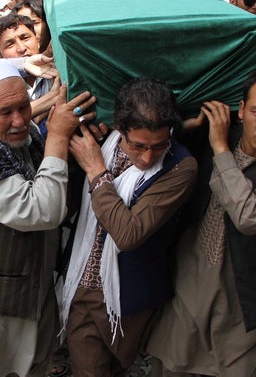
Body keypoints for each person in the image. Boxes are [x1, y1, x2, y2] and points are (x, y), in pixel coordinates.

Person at [149, 67, 256, 377]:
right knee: (173, 358)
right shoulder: (215, 132)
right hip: (190, 268)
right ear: (241, 110)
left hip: (242, 285)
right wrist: (188, 129)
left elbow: (250, 216)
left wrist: (221, 149)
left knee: (233, 360)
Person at [0, 61, 94, 376]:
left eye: (25, 107)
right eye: (5, 112)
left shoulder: (19, 138)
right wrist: (56, 137)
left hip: (31, 298)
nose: (19, 121)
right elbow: (44, 210)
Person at [63, 78, 198, 375]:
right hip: (81, 287)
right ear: (120, 128)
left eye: (158, 146)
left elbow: (128, 233)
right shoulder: (98, 138)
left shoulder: (181, 167)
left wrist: (97, 171)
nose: (148, 157)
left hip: (127, 299)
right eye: (139, 146)